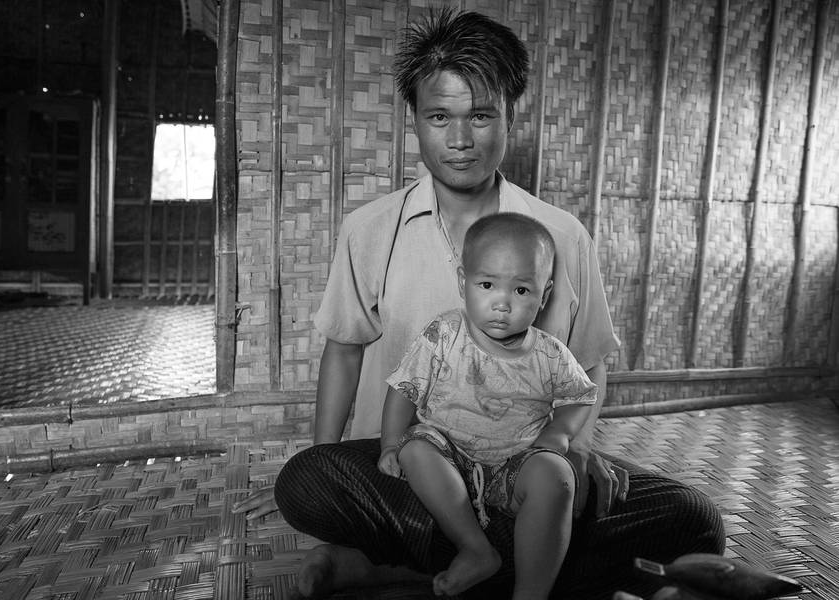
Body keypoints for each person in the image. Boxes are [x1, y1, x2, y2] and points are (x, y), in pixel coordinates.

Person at [234, 7, 725, 599]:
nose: (460, 140)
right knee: (307, 481)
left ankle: (397, 565)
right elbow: (342, 353)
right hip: (411, 468)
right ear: (415, 120)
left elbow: (590, 364)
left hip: (523, 467)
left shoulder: (560, 236)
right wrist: (329, 465)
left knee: (693, 519)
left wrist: (575, 448)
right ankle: (528, 560)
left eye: (481, 116)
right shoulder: (370, 229)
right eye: (440, 116)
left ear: (510, 116)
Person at [378, 212, 598, 599]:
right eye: (487, 285)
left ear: (545, 294)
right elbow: (404, 389)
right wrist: (389, 445)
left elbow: (580, 396)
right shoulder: (445, 333)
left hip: (515, 465)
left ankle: (531, 593)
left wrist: (559, 433)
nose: (502, 303)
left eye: (521, 290)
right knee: (416, 448)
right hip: (447, 455)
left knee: (557, 475)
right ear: (462, 282)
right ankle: (476, 549)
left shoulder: (549, 354)